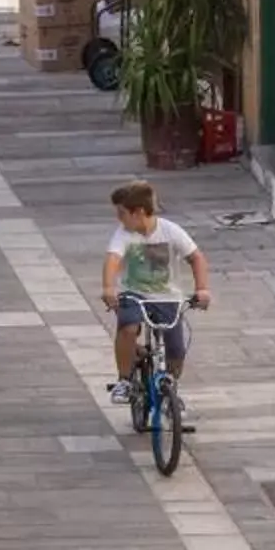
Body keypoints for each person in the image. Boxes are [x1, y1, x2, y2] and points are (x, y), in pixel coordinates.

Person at [100, 179, 210, 418]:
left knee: (176, 350)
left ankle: (170, 388)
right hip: (134, 294)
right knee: (129, 328)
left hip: (167, 298)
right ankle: (125, 380)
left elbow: (196, 258)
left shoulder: (170, 231)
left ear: (138, 212)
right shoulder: (124, 234)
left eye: (121, 214)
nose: (119, 219)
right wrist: (109, 287)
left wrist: (202, 289)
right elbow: (113, 259)